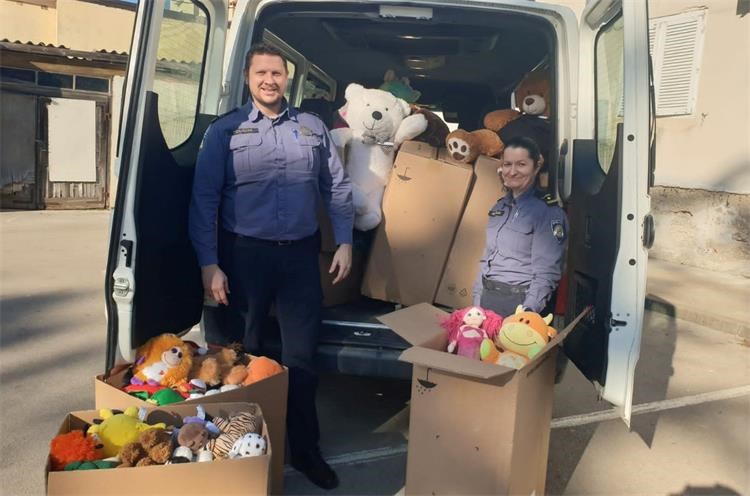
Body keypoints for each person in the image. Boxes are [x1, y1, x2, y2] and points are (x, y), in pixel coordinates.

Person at [188, 43, 353, 490]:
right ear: (248, 78)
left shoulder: (312, 127)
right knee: (241, 358)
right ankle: (235, 454)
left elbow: (337, 187)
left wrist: (345, 241)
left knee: (301, 359)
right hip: (243, 258)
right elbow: (203, 201)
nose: (269, 80)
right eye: (261, 72)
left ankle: (305, 451)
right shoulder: (226, 131)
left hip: (299, 257)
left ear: (287, 78)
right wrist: (210, 264)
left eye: (277, 73)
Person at [472, 136, 567, 318]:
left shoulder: (547, 212)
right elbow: (486, 259)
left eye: (521, 164)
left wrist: (527, 313)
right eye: (507, 164)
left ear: (536, 166)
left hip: (519, 304)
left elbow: (546, 272)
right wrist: (477, 302)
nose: (512, 172)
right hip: (487, 300)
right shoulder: (499, 207)